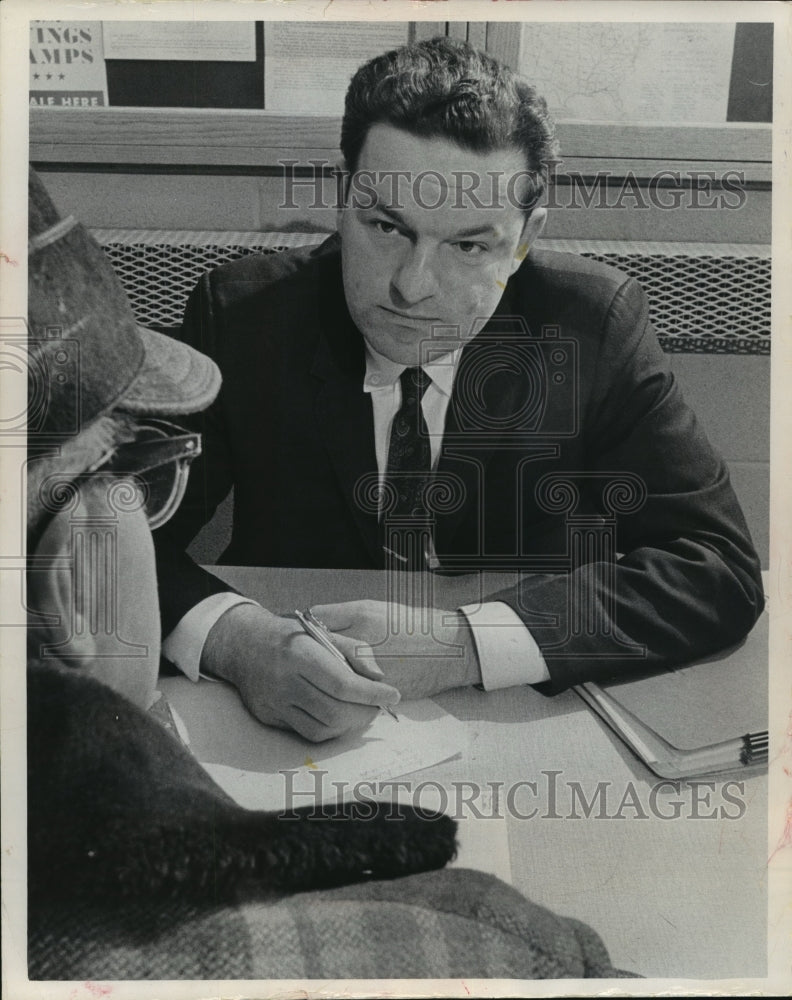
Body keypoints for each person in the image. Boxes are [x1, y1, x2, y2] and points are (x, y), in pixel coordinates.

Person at [154, 36, 764, 742]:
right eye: (386, 226)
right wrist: (234, 636)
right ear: (344, 197)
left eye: (469, 246)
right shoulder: (243, 318)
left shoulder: (590, 324)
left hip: (519, 712)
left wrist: (463, 644)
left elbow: (716, 565)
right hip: (279, 709)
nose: (411, 287)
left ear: (526, 239)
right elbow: (102, 538)